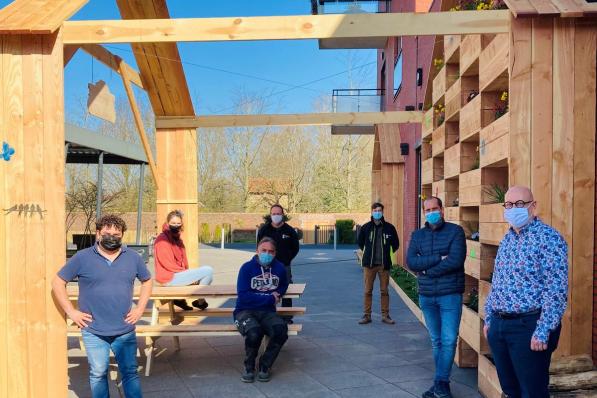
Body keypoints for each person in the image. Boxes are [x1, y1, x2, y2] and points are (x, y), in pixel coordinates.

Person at [52, 215, 152, 398]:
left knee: (130, 372)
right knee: (98, 374)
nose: (112, 236)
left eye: (117, 233)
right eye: (107, 232)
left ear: (122, 235)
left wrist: (139, 309)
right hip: (93, 330)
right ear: (98, 233)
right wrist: (71, 312)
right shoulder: (82, 257)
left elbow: (147, 280)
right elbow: (58, 282)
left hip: (124, 329)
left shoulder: (132, 258)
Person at [483, 186, 568, 398]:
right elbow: (498, 281)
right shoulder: (508, 239)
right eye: (509, 205)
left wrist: (543, 330)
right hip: (500, 325)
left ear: (533, 206)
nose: (514, 209)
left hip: (529, 327)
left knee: (532, 392)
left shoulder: (549, 238)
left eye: (520, 204)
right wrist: (489, 318)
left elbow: (556, 289)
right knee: (510, 389)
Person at [406, 196, 466, 398]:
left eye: (435, 208)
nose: (431, 212)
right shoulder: (417, 235)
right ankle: (441, 384)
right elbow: (412, 262)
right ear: (424, 212)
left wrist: (428, 270)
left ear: (442, 209)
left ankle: (441, 383)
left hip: (450, 295)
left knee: (449, 340)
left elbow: (456, 260)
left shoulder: (456, 232)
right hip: (427, 296)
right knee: (436, 341)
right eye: (427, 209)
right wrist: (438, 258)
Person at [234, 237, 289, 383]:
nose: (267, 254)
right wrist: (270, 298)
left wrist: (279, 294)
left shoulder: (280, 268)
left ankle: (265, 365)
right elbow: (244, 296)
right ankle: (249, 367)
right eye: (264, 250)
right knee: (254, 333)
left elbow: (283, 285)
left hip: (268, 312)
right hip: (244, 311)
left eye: (271, 251)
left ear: (275, 253)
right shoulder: (246, 268)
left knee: (281, 331)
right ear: (257, 251)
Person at [154, 210, 213, 311]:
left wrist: (189, 276)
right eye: (173, 223)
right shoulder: (162, 239)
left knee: (208, 276)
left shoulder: (178, 239)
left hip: (177, 275)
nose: (176, 225)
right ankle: (199, 301)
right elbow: (167, 264)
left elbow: (183, 261)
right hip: (168, 277)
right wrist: (189, 276)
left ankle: (189, 300)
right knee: (208, 270)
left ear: (181, 224)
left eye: (178, 223)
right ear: (167, 223)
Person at [357, 202, 400, 325]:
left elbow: (396, 244)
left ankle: (385, 315)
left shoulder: (389, 228)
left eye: (379, 210)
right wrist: (368, 253)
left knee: (384, 291)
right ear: (371, 212)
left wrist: (387, 255)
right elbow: (360, 242)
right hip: (369, 265)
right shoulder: (366, 227)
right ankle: (367, 316)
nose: (377, 212)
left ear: (382, 212)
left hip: (384, 265)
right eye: (375, 210)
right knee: (367, 291)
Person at [257, 204, 299, 323]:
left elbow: (295, 248)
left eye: (278, 214)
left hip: (284, 265)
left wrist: (288, 259)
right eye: (273, 214)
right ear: (270, 215)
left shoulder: (289, 231)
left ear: (282, 215)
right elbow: (259, 246)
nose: (276, 216)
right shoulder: (264, 230)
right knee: (265, 287)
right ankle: (266, 314)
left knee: (287, 288)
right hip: (266, 265)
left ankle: (287, 317)